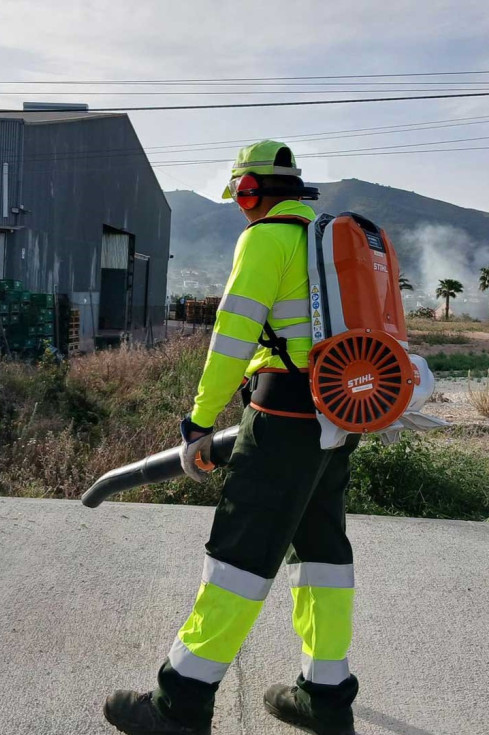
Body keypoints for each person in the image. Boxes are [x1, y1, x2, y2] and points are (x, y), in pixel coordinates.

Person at [103, 141, 360, 735]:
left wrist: (199, 419)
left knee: (237, 560)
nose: (243, 208)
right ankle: (326, 699)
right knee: (323, 555)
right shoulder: (327, 239)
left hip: (284, 420)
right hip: (339, 415)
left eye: (245, 194)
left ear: (260, 192)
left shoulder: (266, 239)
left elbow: (231, 335)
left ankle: (180, 704)